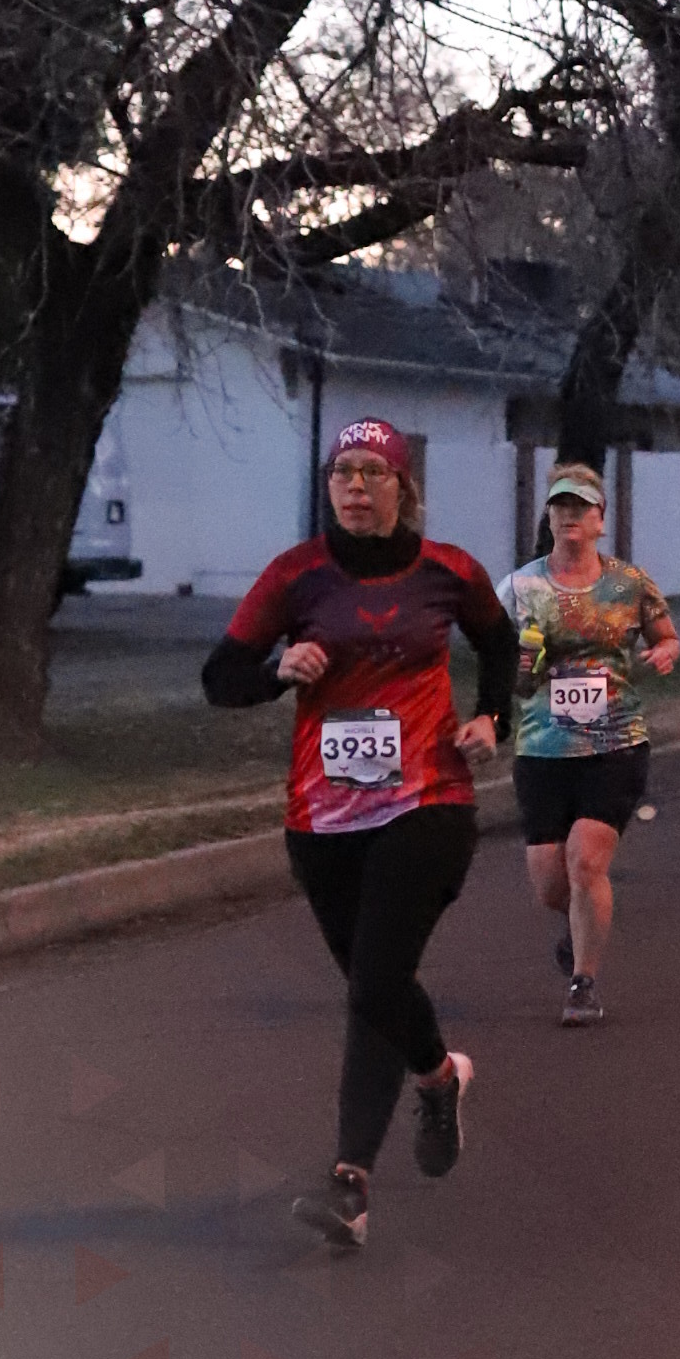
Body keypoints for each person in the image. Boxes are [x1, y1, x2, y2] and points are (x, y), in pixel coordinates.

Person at [202, 418, 516, 1252]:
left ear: (402, 489)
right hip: (323, 819)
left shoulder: (448, 571)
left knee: (376, 982)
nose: (355, 486)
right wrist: (277, 671)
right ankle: (435, 1083)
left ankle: (351, 1178)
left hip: (429, 802)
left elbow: (501, 641)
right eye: (343, 471)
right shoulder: (295, 576)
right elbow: (219, 678)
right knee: (376, 992)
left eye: (374, 472)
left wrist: (492, 718)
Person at [502, 461, 680, 1024]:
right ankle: (580, 924)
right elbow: (504, 675)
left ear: (601, 518)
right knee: (551, 884)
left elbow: (668, 636)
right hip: (542, 747)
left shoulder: (629, 584)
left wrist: (663, 653)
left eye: (581, 506)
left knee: (585, 862)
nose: (570, 515)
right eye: (561, 505)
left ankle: (583, 983)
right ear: (549, 516)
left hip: (615, 742)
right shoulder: (520, 587)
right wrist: (523, 663)